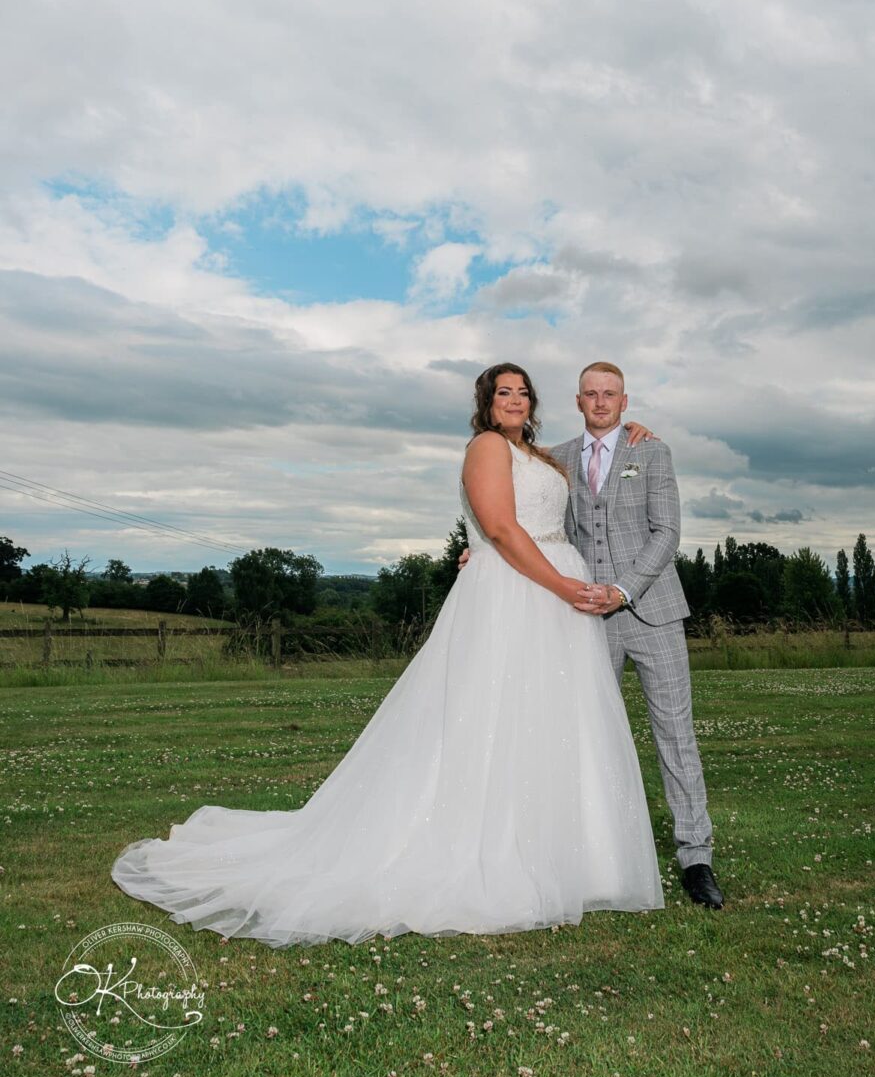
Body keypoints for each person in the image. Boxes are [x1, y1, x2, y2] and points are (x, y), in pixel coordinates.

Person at [109, 364, 664, 946]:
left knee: (550, 723)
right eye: (504, 392)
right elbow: (499, 528)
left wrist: (633, 433)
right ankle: (491, 854)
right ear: (486, 401)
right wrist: (559, 584)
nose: (516, 400)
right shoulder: (485, 447)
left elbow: (585, 465)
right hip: (521, 593)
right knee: (489, 717)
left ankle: (573, 859)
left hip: (552, 595)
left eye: (524, 392)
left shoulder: (546, 456)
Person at [551, 362, 722, 910]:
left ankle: (696, 858)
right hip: (586, 619)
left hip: (655, 614)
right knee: (589, 738)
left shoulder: (653, 452)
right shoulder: (555, 459)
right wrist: (477, 550)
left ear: (625, 402)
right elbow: (532, 524)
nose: (601, 402)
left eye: (611, 394)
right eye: (591, 394)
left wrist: (623, 590)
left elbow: (667, 532)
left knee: (676, 736)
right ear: (578, 401)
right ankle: (594, 856)